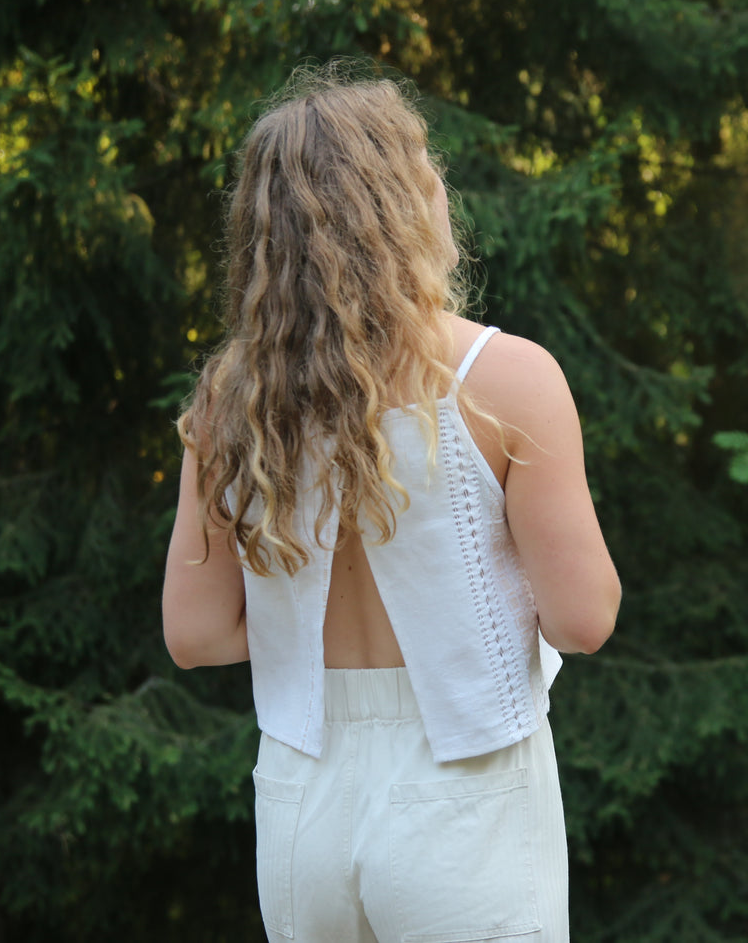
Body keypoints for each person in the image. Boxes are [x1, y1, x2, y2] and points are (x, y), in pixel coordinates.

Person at [161, 67, 620, 943]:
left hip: (303, 800)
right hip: (467, 791)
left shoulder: (232, 403)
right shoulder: (505, 380)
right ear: (403, 205)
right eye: (425, 169)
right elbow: (583, 618)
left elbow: (196, 634)